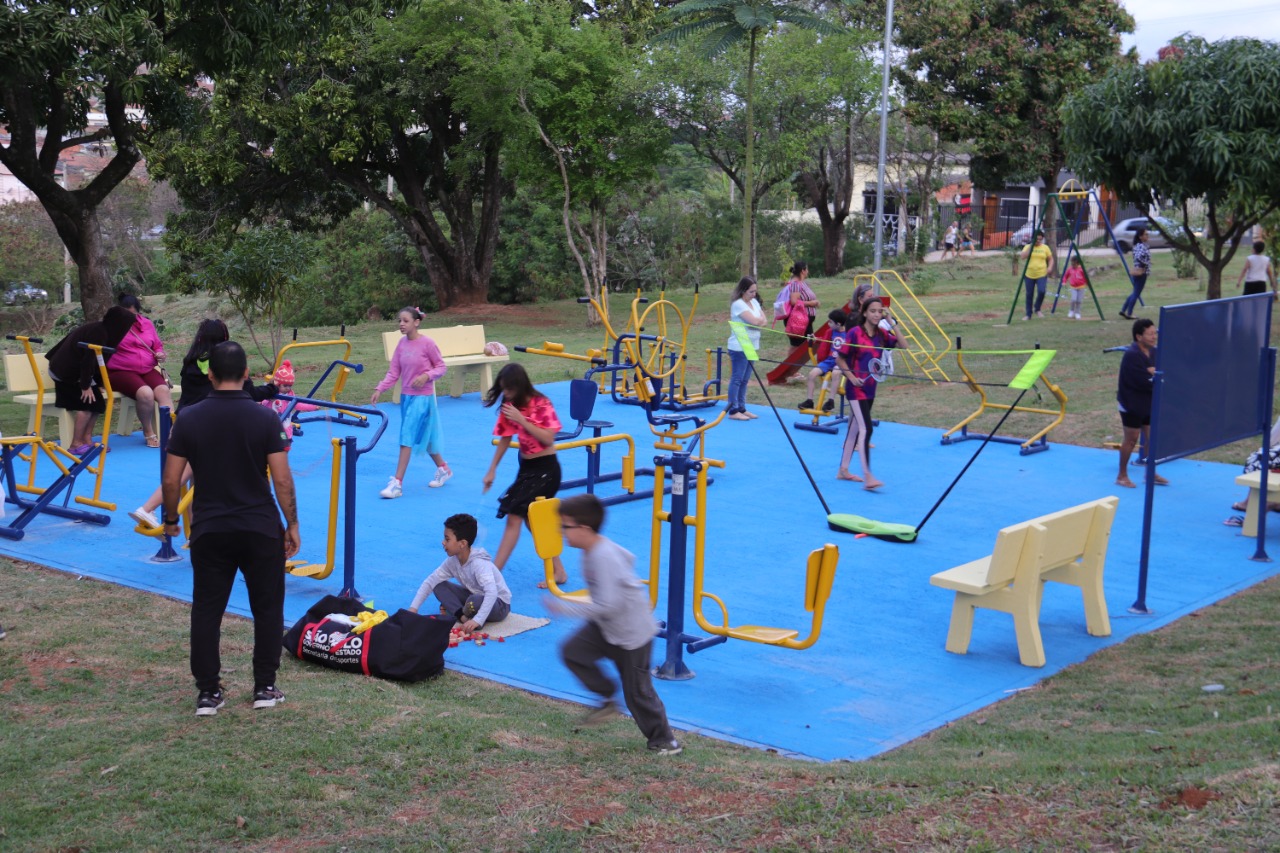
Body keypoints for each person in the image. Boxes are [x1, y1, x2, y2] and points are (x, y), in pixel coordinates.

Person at [161, 341, 300, 716]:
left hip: (210, 528)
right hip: (259, 527)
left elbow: (171, 480)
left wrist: (171, 520)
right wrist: (292, 524)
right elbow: (282, 480)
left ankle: (208, 692)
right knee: (267, 608)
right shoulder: (265, 418)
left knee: (207, 610)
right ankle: (264, 687)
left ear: (210, 376)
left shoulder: (189, 418)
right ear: (247, 374)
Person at [545, 494, 682, 756]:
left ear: (584, 528)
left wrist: (564, 607)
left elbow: (608, 604)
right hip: (606, 626)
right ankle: (607, 697)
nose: (561, 531)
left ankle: (665, 741)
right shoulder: (591, 550)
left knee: (637, 693)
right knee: (573, 651)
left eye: (565, 526)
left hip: (632, 634)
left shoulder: (602, 556)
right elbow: (628, 557)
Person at [128, 319, 277, 529]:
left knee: (192, 483)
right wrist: (272, 388)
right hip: (209, 425)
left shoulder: (191, 360)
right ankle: (149, 508)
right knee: (189, 477)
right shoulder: (225, 363)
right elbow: (249, 393)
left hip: (184, 422)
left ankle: (192, 532)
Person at [482, 363, 567, 588]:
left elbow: (548, 439)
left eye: (509, 389)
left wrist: (522, 419)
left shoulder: (541, 403)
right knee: (533, 520)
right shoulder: (511, 405)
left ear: (520, 386)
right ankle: (559, 570)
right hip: (527, 469)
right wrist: (492, 469)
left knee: (514, 516)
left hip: (547, 470)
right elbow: (505, 438)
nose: (506, 394)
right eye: (503, 389)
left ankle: (493, 575)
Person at [370, 307, 452, 498]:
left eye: (405, 321)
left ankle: (397, 484)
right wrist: (380, 389)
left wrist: (426, 376)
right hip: (406, 397)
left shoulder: (427, 344)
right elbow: (393, 372)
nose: (401, 324)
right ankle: (443, 468)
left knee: (406, 436)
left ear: (416, 322)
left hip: (423, 399)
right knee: (425, 436)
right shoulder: (401, 344)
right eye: (400, 321)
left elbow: (441, 367)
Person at [45, 305, 137, 456]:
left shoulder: (106, 332)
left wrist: (97, 384)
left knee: (98, 404)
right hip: (65, 374)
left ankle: (87, 439)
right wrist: (85, 386)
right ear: (119, 324)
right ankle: (75, 444)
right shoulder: (98, 333)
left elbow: (100, 362)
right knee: (87, 405)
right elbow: (88, 361)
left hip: (78, 374)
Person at [407, 513, 510, 634]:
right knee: (438, 585)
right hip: (474, 595)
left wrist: (478, 620)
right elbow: (430, 581)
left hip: (499, 604)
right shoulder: (452, 561)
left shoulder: (479, 564)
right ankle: (462, 616)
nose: (443, 542)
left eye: (447, 539)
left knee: (474, 601)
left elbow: (492, 593)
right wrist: (413, 609)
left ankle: (465, 614)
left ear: (462, 544)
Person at [837, 296, 896, 489]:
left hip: (871, 388)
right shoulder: (855, 333)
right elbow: (840, 359)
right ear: (864, 313)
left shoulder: (881, 334)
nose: (877, 315)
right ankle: (868, 476)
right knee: (866, 429)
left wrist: (892, 322)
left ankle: (843, 470)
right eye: (873, 311)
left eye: (880, 311)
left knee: (855, 428)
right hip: (856, 388)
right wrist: (852, 377)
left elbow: (903, 345)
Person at [107, 293, 173, 447]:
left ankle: (171, 431)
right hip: (121, 370)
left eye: (133, 314)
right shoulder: (112, 327)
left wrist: (160, 354)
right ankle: (148, 431)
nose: (130, 317)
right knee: (145, 393)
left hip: (147, 369)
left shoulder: (147, 324)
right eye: (126, 314)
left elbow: (157, 345)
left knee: (163, 390)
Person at [1115, 318, 1168, 489]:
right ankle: (1122, 476)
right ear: (1139, 337)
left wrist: (1153, 373)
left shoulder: (1154, 352)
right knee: (1131, 440)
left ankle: (1150, 472)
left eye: (1155, 333)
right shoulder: (1132, 355)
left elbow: (1158, 374)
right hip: (1130, 404)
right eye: (1150, 334)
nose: (1154, 337)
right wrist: (1152, 374)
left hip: (1147, 402)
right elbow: (1141, 381)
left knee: (1152, 439)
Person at [725, 275, 766, 421]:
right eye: (751, 291)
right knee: (737, 378)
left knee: (745, 379)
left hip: (752, 345)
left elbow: (764, 321)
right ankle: (733, 410)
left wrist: (758, 322)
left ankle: (742, 408)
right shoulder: (738, 304)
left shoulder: (754, 302)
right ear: (743, 291)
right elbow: (755, 321)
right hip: (739, 345)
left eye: (755, 291)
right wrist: (758, 322)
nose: (754, 294)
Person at [801, 309, 849, 412]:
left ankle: (831, 401)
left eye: (830, 322)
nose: (828, 324)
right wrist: (815, 339)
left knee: (836, 373)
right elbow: (825, 341)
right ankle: (809, 401)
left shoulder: (849, 334)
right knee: (812, 374)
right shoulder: (830, 332)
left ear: (838, 324)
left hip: (842, 362)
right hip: (829, 361)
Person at [774, 261, 819, 347]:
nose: (808, 271)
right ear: (803, 271)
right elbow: (794, 301)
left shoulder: (801, 283)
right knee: (797, 348)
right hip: (798, 321)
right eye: (807, 269)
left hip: (805, 321)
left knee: (805, 347)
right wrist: (811, 303)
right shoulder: (796, 284)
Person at [1019, 230, 1055, 320]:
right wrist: (1031, 247)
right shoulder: (1027, 247)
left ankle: (1037, 308)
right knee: (1029, 294)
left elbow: (1051, 259)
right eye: (1037, 239)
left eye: (1040, 239)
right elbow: (1022, 257)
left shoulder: (1045, 248)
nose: (1038, 241)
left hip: (1041, 274)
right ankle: (1028, 314)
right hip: (1029, 274)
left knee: (1042, 291)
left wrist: (1050, 267)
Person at [1118, 228, 1150, 320]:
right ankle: (1129, 313)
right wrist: (1146, 264)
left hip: (1136, 271)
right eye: (1145, 234)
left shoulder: (1137, 245)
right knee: (1136, 293)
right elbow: (1139, 257)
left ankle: (1123, 310)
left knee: (1134, 292)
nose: (1147, 236)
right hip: (1141, 272)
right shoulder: (1142, 246)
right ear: (1140, 236)